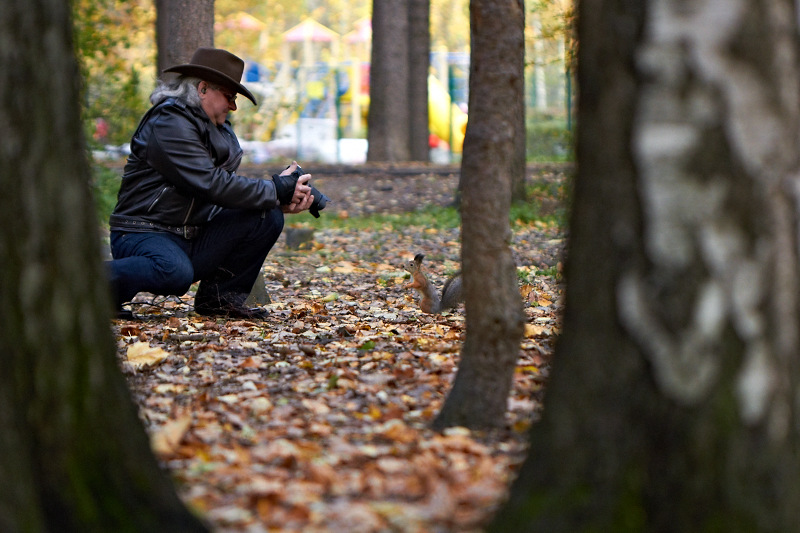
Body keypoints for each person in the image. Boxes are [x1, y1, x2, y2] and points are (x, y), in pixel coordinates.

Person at [107, 47, 314, 320]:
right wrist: (276, 188)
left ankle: (220, 300)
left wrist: (279, 199)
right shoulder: (169, 121)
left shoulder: (217, 129)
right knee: (174, 272)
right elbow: (211, 184)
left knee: (267, 215)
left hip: (191, 234)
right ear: (203, 89)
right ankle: (84, 286)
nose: (233, 106)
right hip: (144, 232)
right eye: (229, 96)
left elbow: (221, 192)